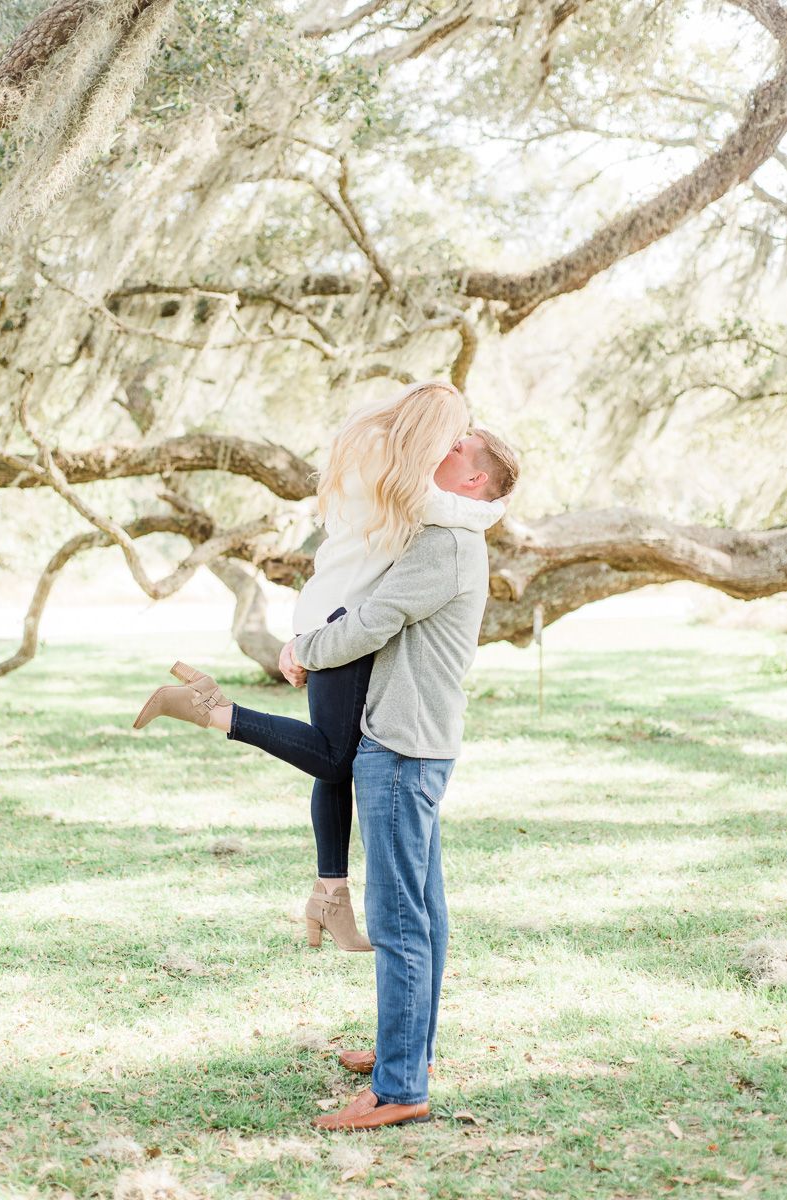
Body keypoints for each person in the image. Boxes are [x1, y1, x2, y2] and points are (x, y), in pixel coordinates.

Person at [132, 382, 508, 951]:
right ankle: (214, 710)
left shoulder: (374, 448)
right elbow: (452, 508)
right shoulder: (397, 472)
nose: (450, 447)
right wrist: (495, 506)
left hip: (328, 608)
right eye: (453, 436)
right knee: (335, 758)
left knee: (331, 758)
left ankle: (329, 897)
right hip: (341, 619)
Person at [282, 427, 520, 1131]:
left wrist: (303, 648)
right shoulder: (448, 533)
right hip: (416, 743)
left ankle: (398, 1089)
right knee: (423, 909)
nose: (439, 447)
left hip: (401, 749)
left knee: (398, 917)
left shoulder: (446, 544)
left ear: (473, 480)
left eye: (456, 446)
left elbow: (371, 624)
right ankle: (404, 1050)